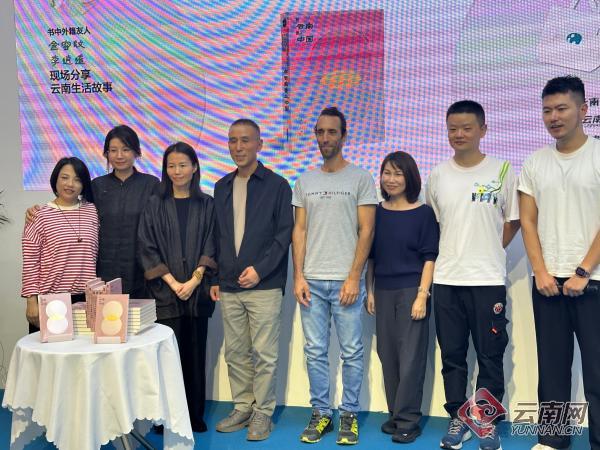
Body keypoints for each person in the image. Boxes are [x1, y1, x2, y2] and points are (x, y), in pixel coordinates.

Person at [426, 100, 520, 450]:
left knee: (489, 355)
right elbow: (436, 225)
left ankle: (485, 420)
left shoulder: (503, 170)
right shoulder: (437, 175)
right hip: (447, 280)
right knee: (452, 356)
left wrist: (491, 248)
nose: (459, 134)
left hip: (487, 280)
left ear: (483, 129)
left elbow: (513, 221)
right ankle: (458, 417)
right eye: (453, 128)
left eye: (467, 128)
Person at [518, 76, 600, 450]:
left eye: (562, 108)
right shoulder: (535, 163)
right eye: (547, 110)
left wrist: (583, 271)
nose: (554, 117)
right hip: (548, 282)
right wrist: (540, 271)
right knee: (552, 367)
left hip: (593, 281)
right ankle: (553, 439)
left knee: (597, 370)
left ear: (583, 110)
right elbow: (527, 221)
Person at [292, 106, 378, 445]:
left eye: (332, 132)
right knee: (315, 351)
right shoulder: (305, 181)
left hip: (346, 282)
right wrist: (298, 277)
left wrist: (354, 277)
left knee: (352, 351)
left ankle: (349, 414)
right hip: (311, 282)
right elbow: (299, 231)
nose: (325, 138)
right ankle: (321, 413)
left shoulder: (360, 178)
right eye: (320, 132)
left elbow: (367, 230)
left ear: (343, 136)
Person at [211, 119, 293, 441]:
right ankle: (243, 406)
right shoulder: (221, 186)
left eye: (245, 140)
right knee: (235, 352)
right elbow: (217, 236)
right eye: (233, 140)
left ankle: (263, 413)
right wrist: (216, 277)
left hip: (264, 285)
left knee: (264, 354)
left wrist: (260, 269)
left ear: (259, 144)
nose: (238, 147)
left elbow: (283, 236)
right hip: (229, 285)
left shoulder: (278, 186)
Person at [26, 125, 159, 297]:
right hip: (103, 273)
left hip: (141, 271)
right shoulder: (97, 185)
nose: (119, 155)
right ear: (106, 154)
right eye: (113, 150)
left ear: (136, 152)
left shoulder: (151, 184)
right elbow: (73, 208)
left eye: (126, 149)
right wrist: (37, 211)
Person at [137, 142, 216, 433]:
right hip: (164, 293)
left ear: (194, 167)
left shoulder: (207, 204)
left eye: (183, 165)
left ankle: (194, 416)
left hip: (197, 293)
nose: (177, 171)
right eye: (171, 166)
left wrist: (194, 280)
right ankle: (165, 418)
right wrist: (172, 282)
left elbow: (212, 243)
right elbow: (146, 246)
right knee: (167, 357)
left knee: (195, 356)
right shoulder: (154, 204)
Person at [365, 151, 439, 444]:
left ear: (410, 178)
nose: (391, 179)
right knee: (388, 355)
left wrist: (422, 295)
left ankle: (409, 421)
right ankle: (395, 414)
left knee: (410, 358)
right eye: (387, 173)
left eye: (398, 173)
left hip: (412, 290)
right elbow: (371, 257)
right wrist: (370, 291)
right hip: (382, 291)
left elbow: (429, 258)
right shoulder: (376, 212)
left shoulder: (424, 213)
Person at [22, 157, 98, 333]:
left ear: (83, 184)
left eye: (77, 179)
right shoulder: (39, 215)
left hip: (87, 301)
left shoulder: (92, 211)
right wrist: (31, 301)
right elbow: (30, 262)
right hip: (50, 300)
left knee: (83, 350)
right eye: (64, 177)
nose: (70, 184)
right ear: (55, 180)